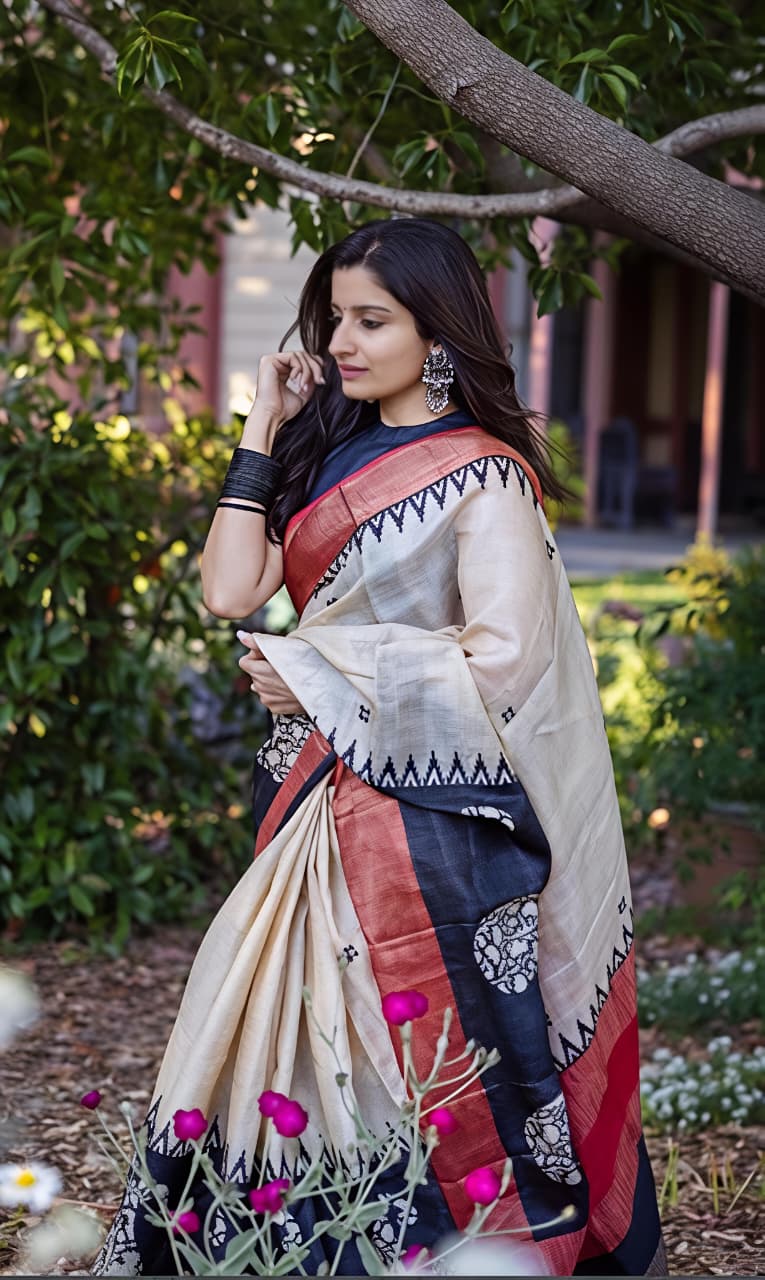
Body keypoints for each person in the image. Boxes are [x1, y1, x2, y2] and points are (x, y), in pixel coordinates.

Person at [93, 218, 666, 1276]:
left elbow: (502, 661)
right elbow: (230, 590)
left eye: (372, 321)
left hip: (430, 825)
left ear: (436, 334)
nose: (344, 342)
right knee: (271, 1024)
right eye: (335, 319)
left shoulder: (486, 479)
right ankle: (271, 1238)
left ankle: (450, 1251)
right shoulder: (332, 448)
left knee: (410, 1054)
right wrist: (266, 419)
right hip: (318, 804)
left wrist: (318, 669)